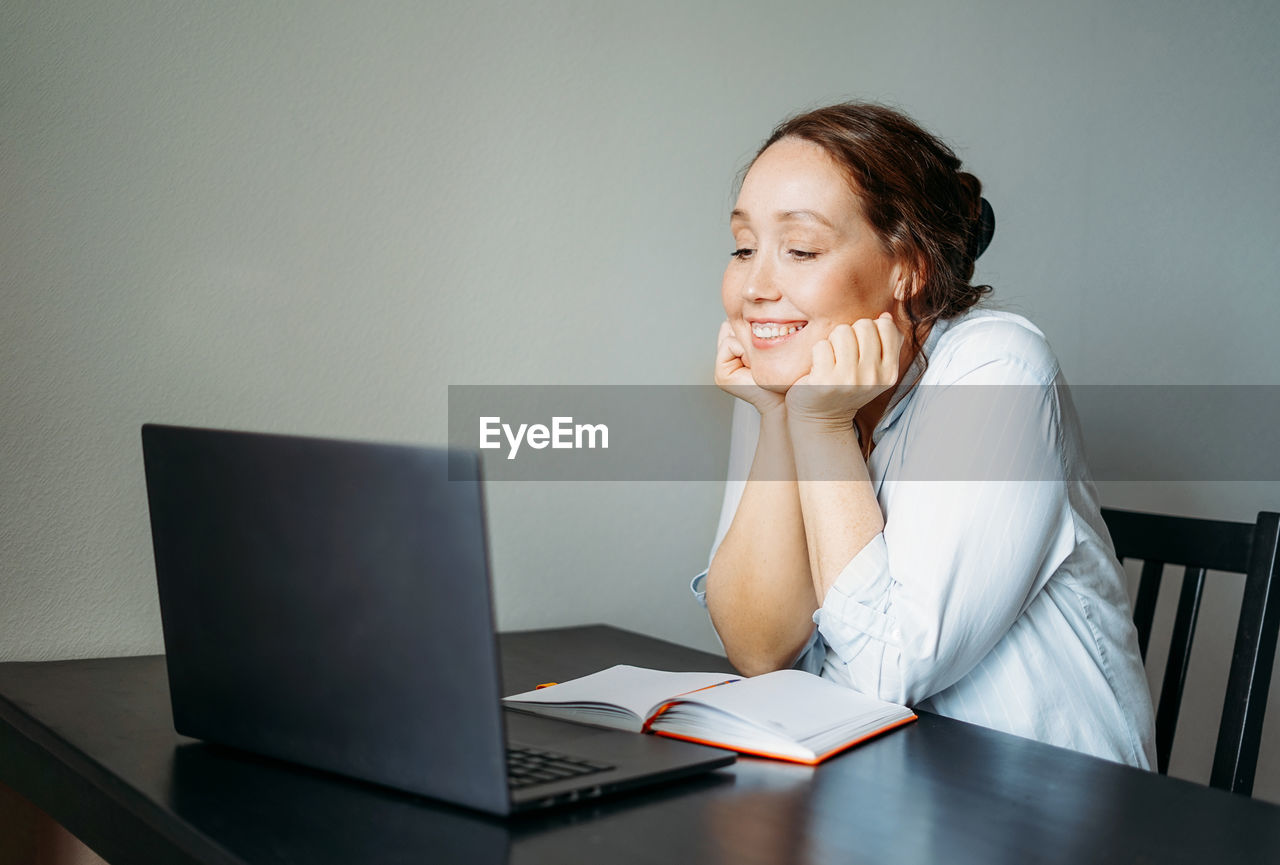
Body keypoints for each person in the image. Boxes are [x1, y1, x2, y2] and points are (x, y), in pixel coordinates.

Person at [692, 102, 1156, 769]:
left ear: (906, 266)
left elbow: (886, 671)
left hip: (1058, 809)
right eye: (743, 247)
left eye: (799, 249)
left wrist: (820, 429)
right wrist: (776, 417)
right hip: (886, 792)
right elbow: (761, 650)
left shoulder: (998, 366)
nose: (754, 286)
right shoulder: (789, 380)